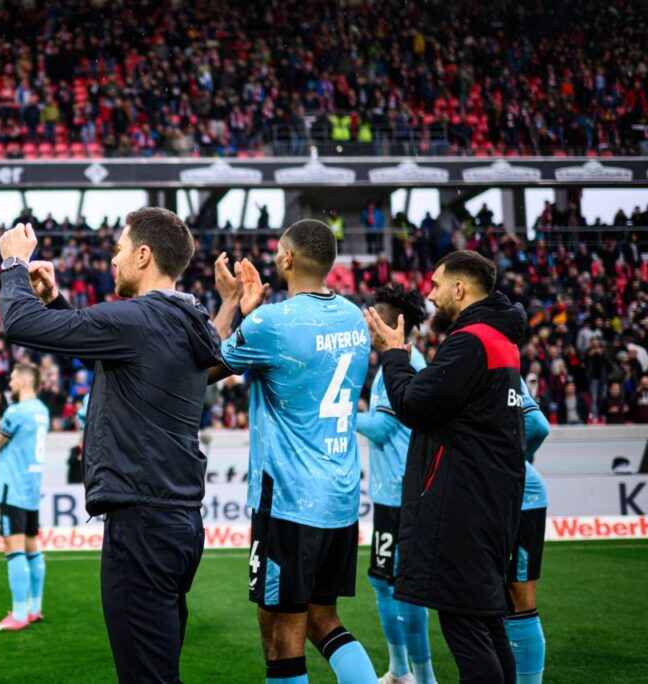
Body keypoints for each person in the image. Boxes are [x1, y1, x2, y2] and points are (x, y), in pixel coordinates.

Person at [0, 209, 222, 683]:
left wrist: (14, 266)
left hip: (141, 523)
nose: (112, 260)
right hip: (179, 521)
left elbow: (19, 323)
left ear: (143, 255)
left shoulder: (138, 319)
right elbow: (107, 348)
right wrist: (57, 302)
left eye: (119, 249)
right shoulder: (187, 317)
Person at [212, 219, 378, 684]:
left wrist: (233, 305)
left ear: (287, 260)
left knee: (280, 636)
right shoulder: (352, 316)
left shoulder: (272, 321)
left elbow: (203, 367)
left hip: (288, 499)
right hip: (341, 497)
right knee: (322, 618)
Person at [364, 250, 526, 684]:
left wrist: (394, 355)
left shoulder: (472, 340)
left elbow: (414, 406)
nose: (431, 295)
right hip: (492, 502)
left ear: (460, 288)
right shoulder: (501, 340)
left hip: (464, 507)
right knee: (487, 621)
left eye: (436, 285)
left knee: (466, 627)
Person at [355, 284, 437, 684]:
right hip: (399, 487)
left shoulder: (401, 361)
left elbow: (384, 428)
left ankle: (418, 676)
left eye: (377, 315)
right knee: (390, 581)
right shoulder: (404, 359)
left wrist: (338, 414)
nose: (369, 320)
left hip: (401, 491)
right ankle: (403, 669)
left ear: (396, 323)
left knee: (395, 583)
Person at [0, 362, 50, 632]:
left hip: (12, 487)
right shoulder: (41, 411)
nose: (10, 381)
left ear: (25, 382)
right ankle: (34, 608)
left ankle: (18, 615)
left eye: (14, 378)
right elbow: (13, 437)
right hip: (31, 488)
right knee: (32, 546)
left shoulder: (17, 411)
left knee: (14, 549)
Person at [506, 380, 550, 684]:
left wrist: (508, 462)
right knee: (500, 598)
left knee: (519, 596)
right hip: (495, 498)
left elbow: (536, 424)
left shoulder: (499, 358)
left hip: (522, 498)